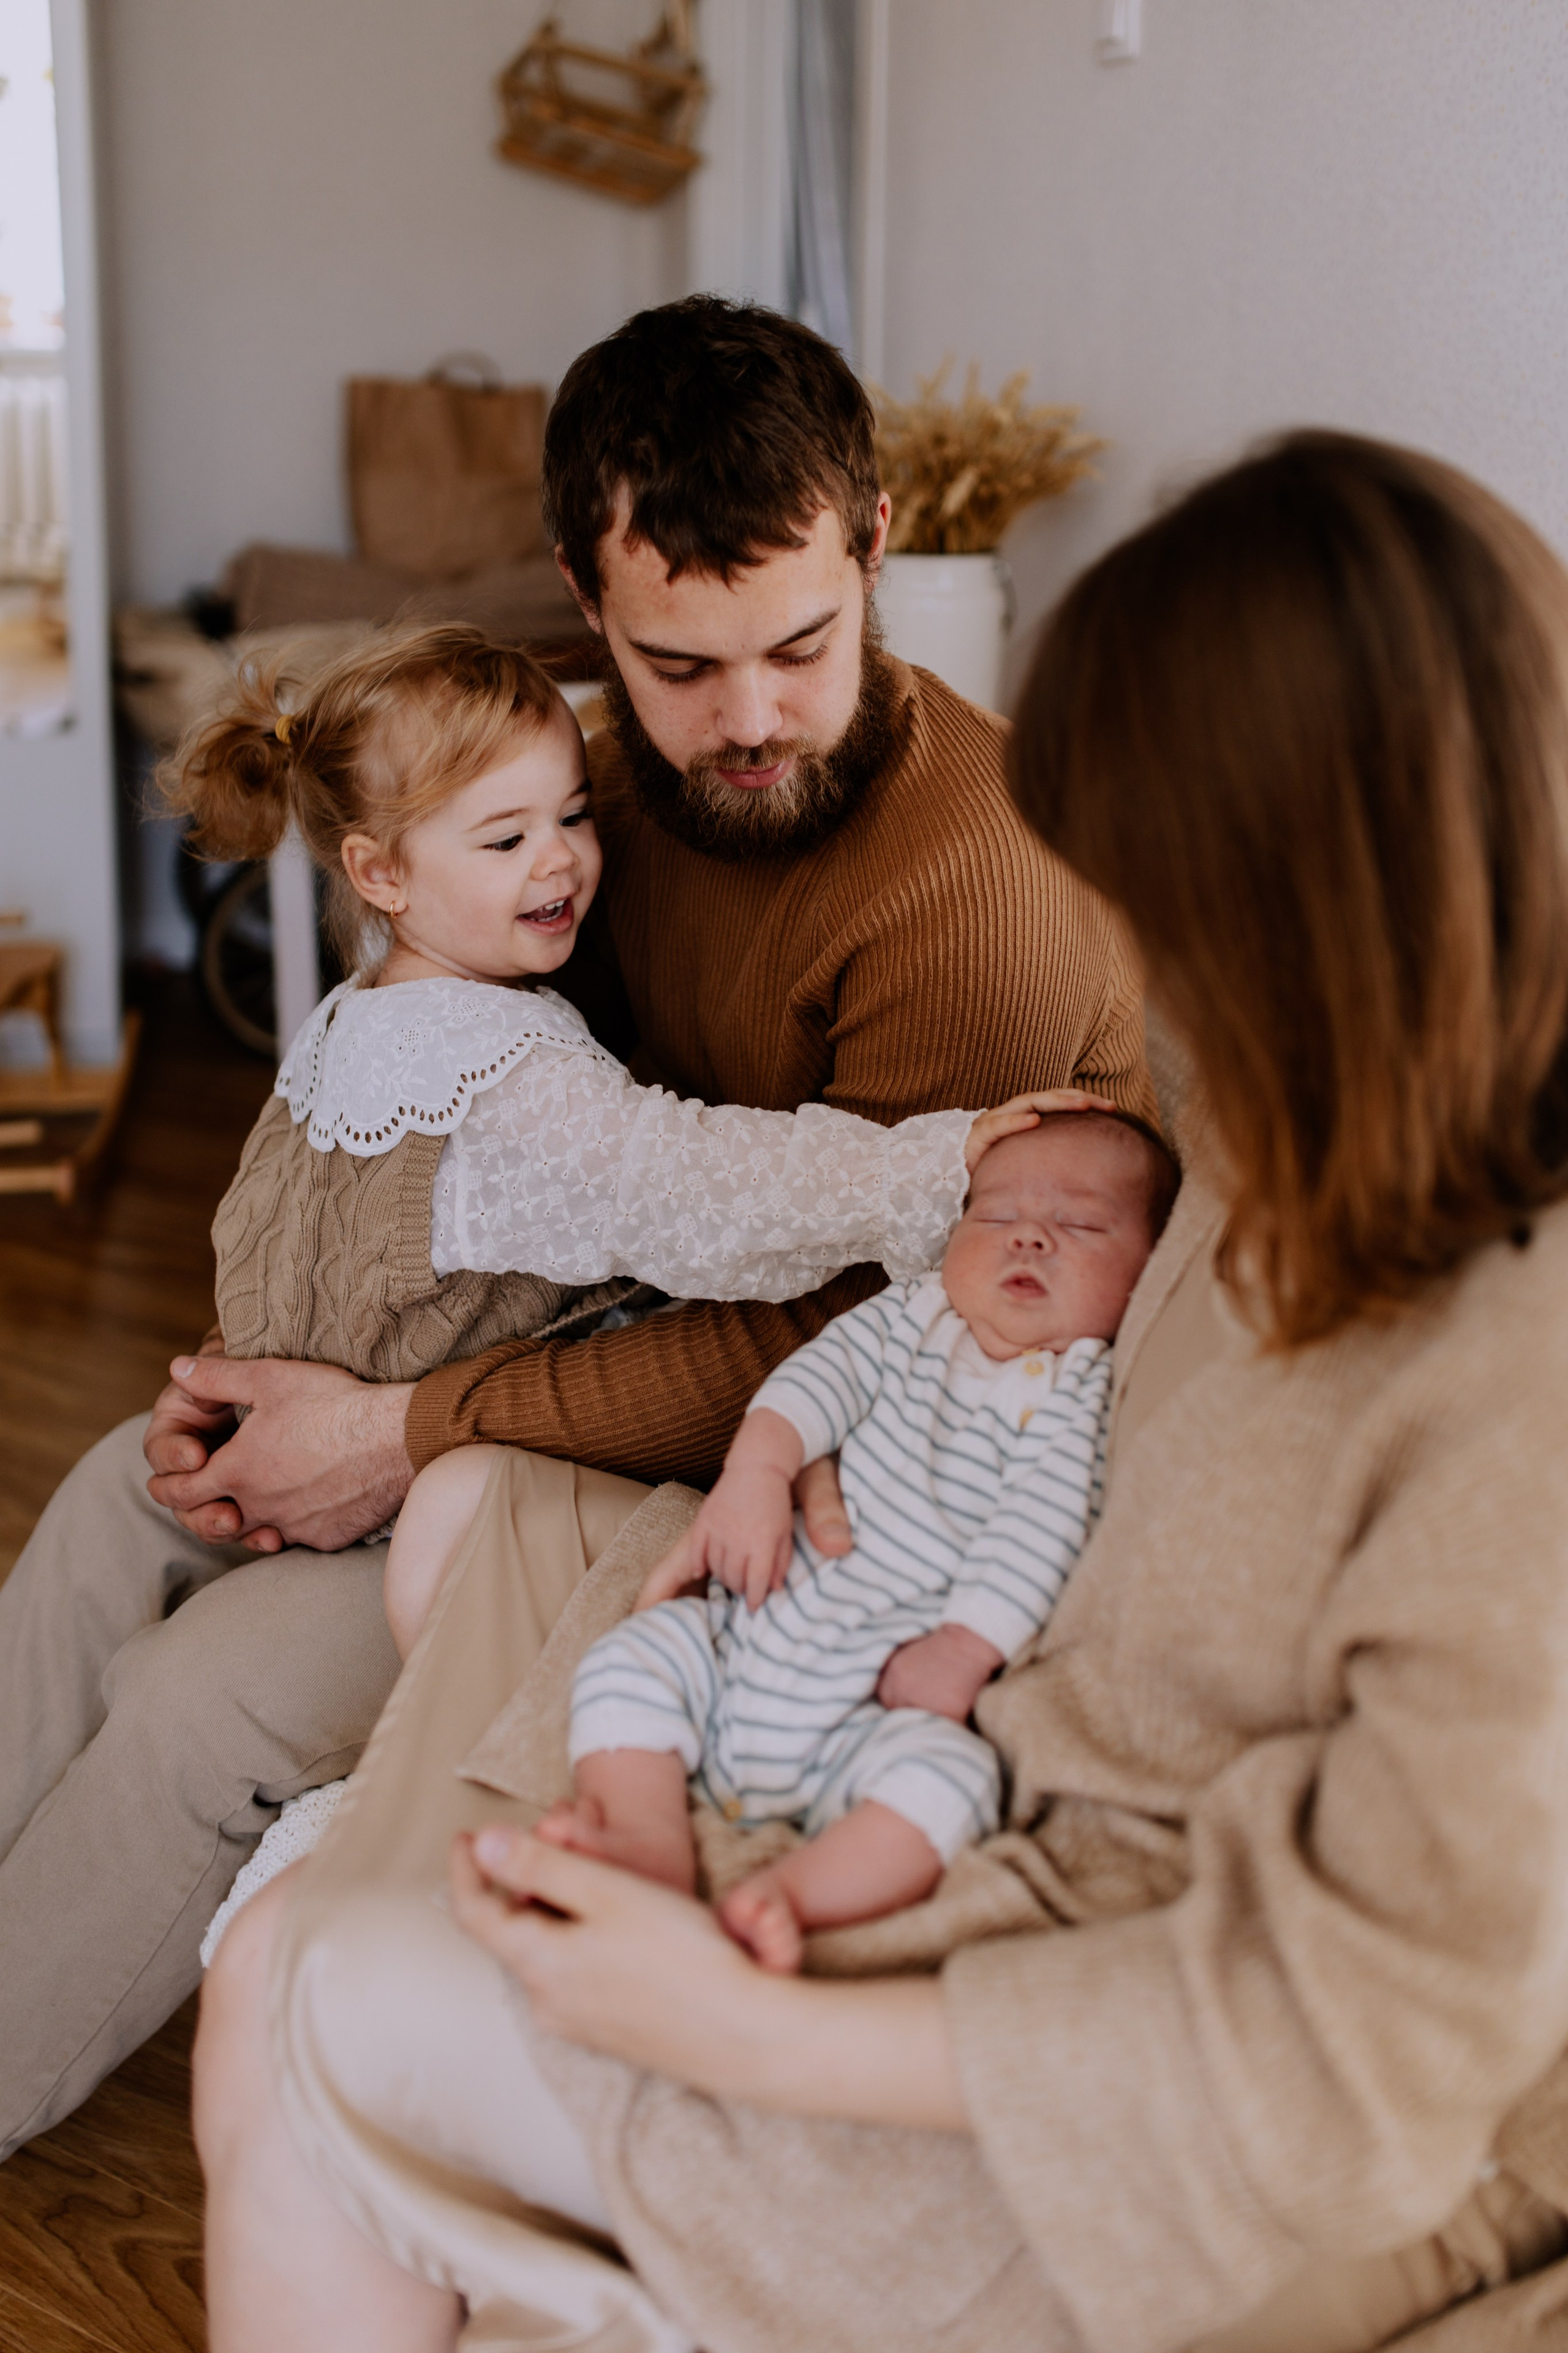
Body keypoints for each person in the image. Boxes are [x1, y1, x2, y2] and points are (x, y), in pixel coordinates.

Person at [198, 428, 1568, 2353]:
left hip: (1115, 2051)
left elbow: (1361, 2045)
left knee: (298, 1991)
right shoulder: (1294, 1088)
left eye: (1161, 890)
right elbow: (975, 1269)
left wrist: (744, 2028)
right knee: (439, 1570)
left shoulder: (1518, 1375)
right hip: (974, 1668)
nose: (1139, 950)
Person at [0, 294, 1150, 2156]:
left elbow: (837, 1336)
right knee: (96, 1517)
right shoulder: (592, 788)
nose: (750, 719)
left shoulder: (981, 898)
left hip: (797, 1467)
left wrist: (386, 1433)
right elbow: (496, 1127)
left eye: (800, 645)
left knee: (200, 1698)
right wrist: (282, 1377)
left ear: (875, 546)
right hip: (570, 1358)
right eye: (680, 666)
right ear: (583, 598)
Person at [179, 620, 1059, 1380]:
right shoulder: (504, 1077)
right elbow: (697, 1188)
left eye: (572, 814)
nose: (557, 859)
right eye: (505, 838)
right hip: (408, 1483)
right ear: (381, 873)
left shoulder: (341, 1026)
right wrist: (937, 1162)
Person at [532, 1112, 1174, 1970]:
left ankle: (790, 1895)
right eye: (994, 1215)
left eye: (1081, 1224)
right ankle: (647, 1843)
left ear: (1149, 1274)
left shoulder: (1078, 1388)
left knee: (952, 1782)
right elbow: (819, 1379)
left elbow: (1044, 1522)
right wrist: (758, 1474)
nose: (1029, 1234)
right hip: (754, 1626)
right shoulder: (915, 1312)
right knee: (635, 1656)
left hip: (878, 1702)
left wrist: (964, 1646)